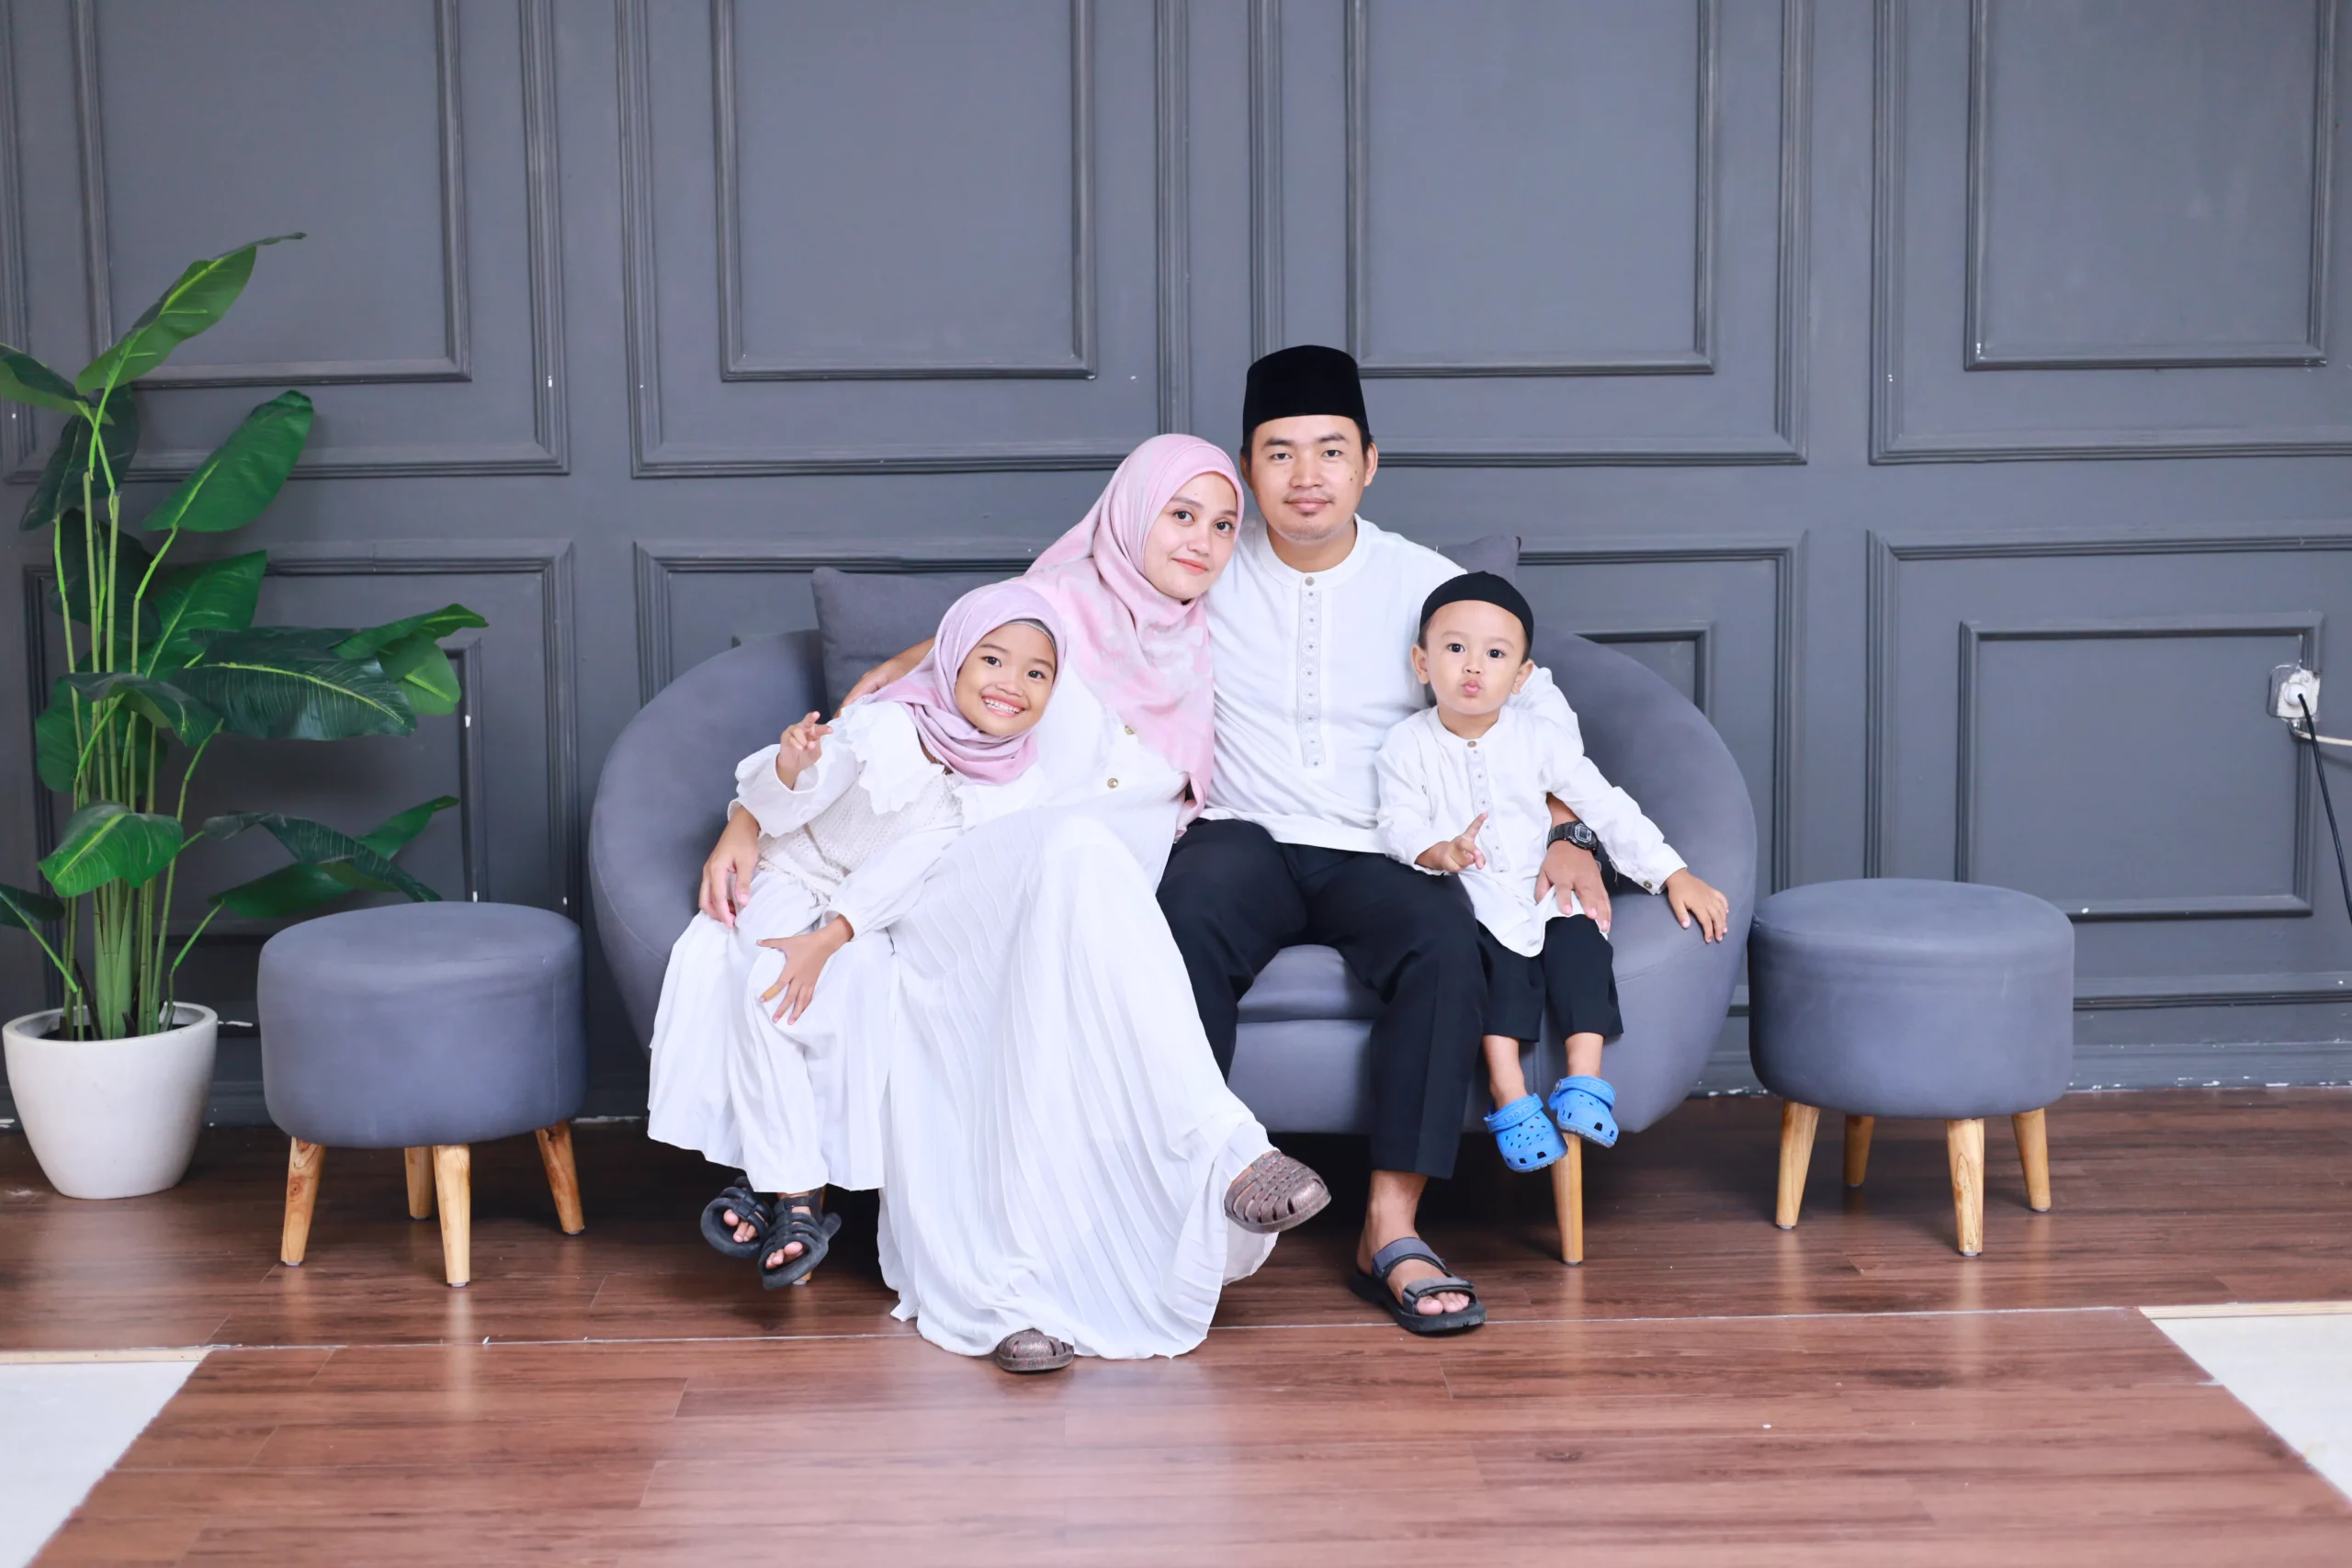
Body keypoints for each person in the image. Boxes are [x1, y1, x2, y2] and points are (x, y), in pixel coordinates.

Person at [831, 434, 1333, 1374]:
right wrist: (748, 824)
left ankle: (1023, 1302)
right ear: (1130, 513)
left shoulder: (1206, 641)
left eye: (1223, 524)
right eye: (1180, 514)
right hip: (968, 889)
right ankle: (1230, 1149)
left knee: (1086, 937)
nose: (1202, 541)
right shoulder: (1051, 608)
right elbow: (896, 706)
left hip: (1091, 912)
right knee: (1076, 842)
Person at [1154, 344, 1619, 1336]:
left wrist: (1564, 828)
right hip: (1244, 830)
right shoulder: (1201, 564)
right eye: (1279, 453)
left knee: (1445, 941)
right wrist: (910, 670)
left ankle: (1391, 1228)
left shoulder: (1427, 581)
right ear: (1247, 469)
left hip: (1388, 846)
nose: (1306, 476)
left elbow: (1534, 711)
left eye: (1331, 451)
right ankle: (1176, 1210)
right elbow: (1054, 610)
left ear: (1369, 462)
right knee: (1182, 913)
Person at [647, 582, 1067, 1289]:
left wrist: (834, 936)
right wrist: (792, 765)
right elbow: (797, 800)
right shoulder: (886, 723)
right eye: (992, 659)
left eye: (1036, 672)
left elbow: (917, 868)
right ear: (953, 658)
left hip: (870, 913)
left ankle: (771, 1182)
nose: (1011, 684)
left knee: (850, 1003)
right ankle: (797, 1195)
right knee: (761, 988)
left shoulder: (1016, 784)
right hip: (793, 870)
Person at [1375, 571, 1728, 1190]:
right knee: (1492, 968)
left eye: (1495, 654)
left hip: (1540, 885)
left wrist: (1672, 871)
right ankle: (1510, 1095)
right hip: (1472, 894)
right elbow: (1396, 821)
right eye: (1455, 648)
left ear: (1521, 676)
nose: (1473, 667)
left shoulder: (1539, 738)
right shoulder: (1406, 745)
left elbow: (1605, 805)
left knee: (1584, 941)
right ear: (1422, 662)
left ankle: (1584, 1082)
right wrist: (1438, 850)